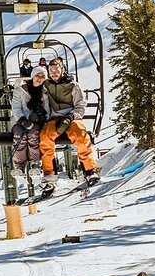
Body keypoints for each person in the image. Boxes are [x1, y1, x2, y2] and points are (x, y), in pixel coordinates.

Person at [39, 57, 98, 197]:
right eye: (51, 71)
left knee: (81, 135)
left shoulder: (73, 85)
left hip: (72, 117)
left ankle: (90, 170)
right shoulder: (45, 85)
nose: (54, 73)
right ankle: (49, 178)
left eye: (56, 70)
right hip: (54, 118)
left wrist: (71, 116)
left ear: (62, 70)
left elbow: (81, 105)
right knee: (45, 137)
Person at [11, 64, 49, 198]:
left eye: (42, 77)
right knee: (19, 136)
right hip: (20, 121)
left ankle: (34, 163)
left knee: (33, 135)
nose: (39, 78)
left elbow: (48, 110)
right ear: (33, 76)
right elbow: (15, 107)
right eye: (37, 75)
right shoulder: (20, 90)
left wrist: (40, 118)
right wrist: (22, 120)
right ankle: (20, 166)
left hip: (36, 122)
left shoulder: (45, 92)